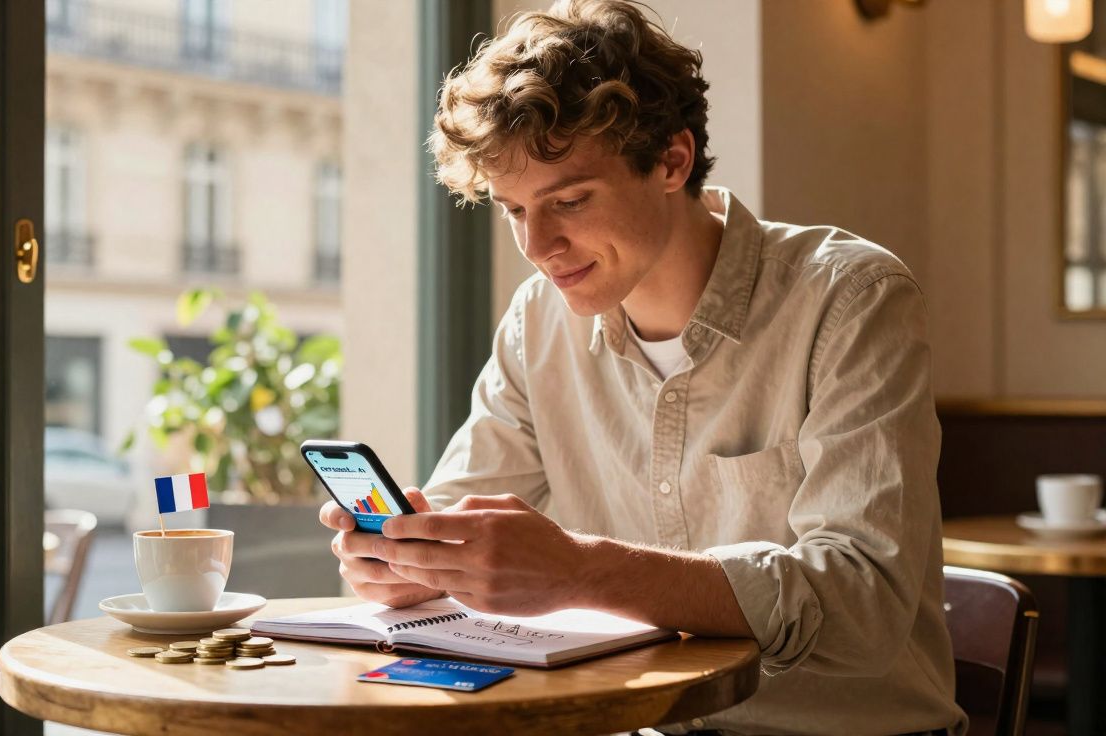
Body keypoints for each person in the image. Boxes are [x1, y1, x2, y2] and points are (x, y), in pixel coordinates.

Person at [320, 1, 964, 733]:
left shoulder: (851, 299)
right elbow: (460, 522)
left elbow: (863, 603)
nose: (538, 245)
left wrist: (578, 569)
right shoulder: (538, 322)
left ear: (672, 160)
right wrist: (408, 563)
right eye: (512, 209)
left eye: (568, 200)